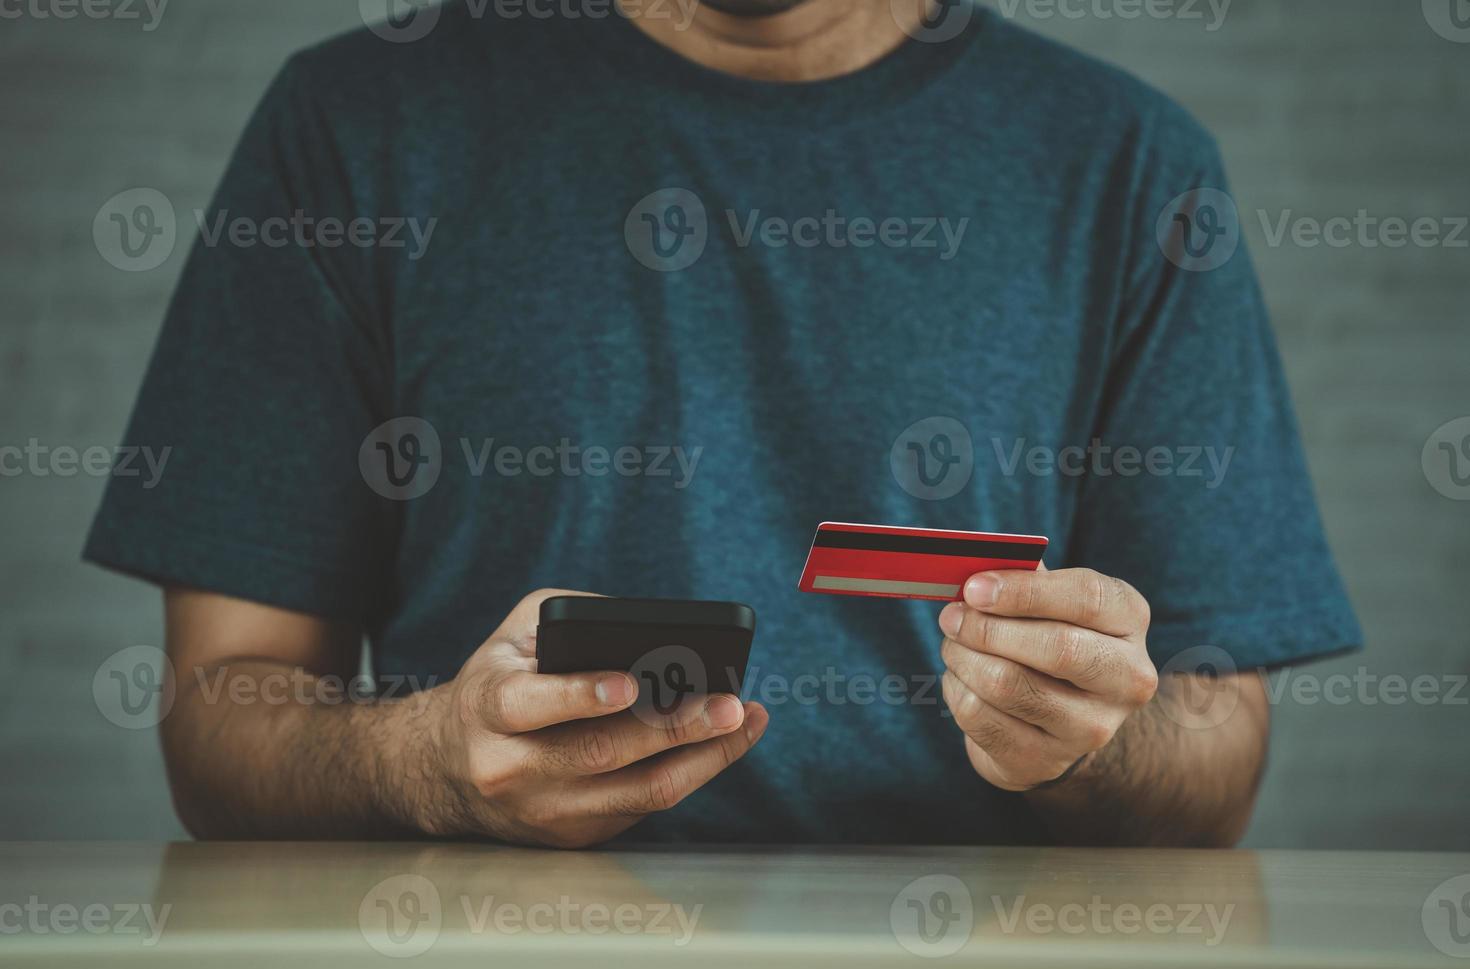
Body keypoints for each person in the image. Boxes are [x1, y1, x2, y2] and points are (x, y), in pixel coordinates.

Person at [85, 0, 1360, 847]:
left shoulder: (1132, 163)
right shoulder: (354, 127)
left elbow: (1218, 749)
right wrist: (422, 758)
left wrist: (1097, 737)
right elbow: (222, 715)